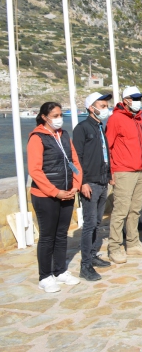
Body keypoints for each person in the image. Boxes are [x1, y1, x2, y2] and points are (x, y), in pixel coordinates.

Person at [27, 102, 83, 292]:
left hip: (67, 192)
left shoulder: (64, 135)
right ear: (45, 117)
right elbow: (35, 170)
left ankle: (60, 271)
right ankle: (45, 276)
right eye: (56, 115)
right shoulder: (37, 138)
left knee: (61, 234)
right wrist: (54, 191)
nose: (60, 118)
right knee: (47, 236)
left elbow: (74, 161)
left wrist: (76, 185)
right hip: (45, 196)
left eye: (61, 115)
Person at [106, 86, 142, 264]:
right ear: (126, 100)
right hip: (123, 171)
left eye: (140, 97)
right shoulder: (116, 119)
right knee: (120, 211)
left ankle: (132, 243)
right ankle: (115, 247)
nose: (138, 100)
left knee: (135, 209)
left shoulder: (138, 119)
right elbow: (107, 147)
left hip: (139, 170)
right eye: (135, 98)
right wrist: (111, 172)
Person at [73, 92, 113, 282]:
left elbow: (104, 155)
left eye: (106, 105)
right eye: (102, 105)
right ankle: (85, 265)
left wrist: (109, 176)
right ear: (91, 108)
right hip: (90, 183)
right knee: (89, 224)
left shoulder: (99, 127)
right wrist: (82, 183)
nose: (106, 109)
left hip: (103, 181)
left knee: (97, 222)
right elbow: (76, 159)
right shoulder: (82, 128)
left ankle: (93, 255)